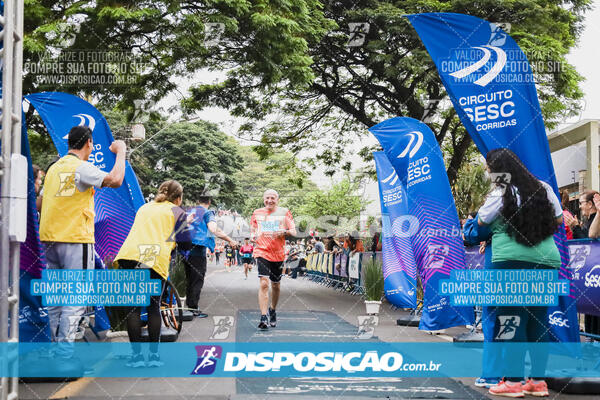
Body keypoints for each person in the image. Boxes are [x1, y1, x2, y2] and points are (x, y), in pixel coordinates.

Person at [477, 148, 564, 397]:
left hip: (512, 262)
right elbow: (558, 221)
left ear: (498, 170)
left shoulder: (502, 188)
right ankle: (537, 382)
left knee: (511, 321)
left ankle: (513, 383)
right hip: (546, 261)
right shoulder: (543, 187)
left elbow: (482, 220)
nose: (487, 172)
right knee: (538, 322)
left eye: (488, 169)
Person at [39, 126, 126, 359]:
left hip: (49, 239)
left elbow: (39, 204)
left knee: (56, 298)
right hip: (75, 239)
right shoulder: (81, 167)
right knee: (75, 297)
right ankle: (65, 353)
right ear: (88, 142)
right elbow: (116, 179)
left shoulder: (54, 169)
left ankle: (54, 350)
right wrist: (121, 151)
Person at [114, 180, 193, 367]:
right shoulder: (177, 211)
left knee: (133, 307)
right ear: (178, 198)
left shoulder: (144, 207)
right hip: (153, 259)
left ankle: (136, 358)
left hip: (129, 256)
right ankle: (154, 357)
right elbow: (186, 243)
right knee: (153, 306)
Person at [251, 189, 296, 330]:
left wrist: (284, 231)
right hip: (262, 251)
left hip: (278, 253)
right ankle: (263, 317)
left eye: (273, 198)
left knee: (275, 285)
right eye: (267, 198)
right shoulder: (257, 213)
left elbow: (294, 231)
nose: (270, 200)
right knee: (264, 283)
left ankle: (273, 309)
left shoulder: (284, 212)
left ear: (277, 200)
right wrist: (252, 235)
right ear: (263, 198)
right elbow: (253, 229)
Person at [186, 195, 237, 317]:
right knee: (197, 280)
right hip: (197, 250)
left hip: (184, 249)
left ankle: (187, 308)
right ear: (209, 202)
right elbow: (214, 229)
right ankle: (193, 309)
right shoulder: (208, 213)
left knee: (189, 280)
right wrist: (230, 239)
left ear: (198, 201)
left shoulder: (189, 211)